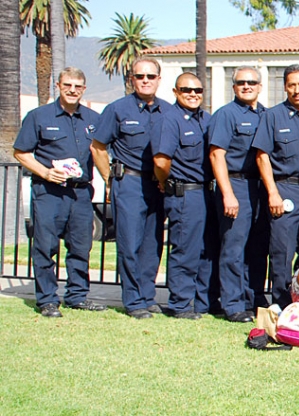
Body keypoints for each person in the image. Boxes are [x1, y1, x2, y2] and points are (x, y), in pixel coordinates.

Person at [14, 67, 106, 318]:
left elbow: (100, 152)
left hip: (81, 193)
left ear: (84, 89)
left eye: (77, 86)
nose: (72, 90)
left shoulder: (93, 119)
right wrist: (44, 172)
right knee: (45, 246)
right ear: (58, 85)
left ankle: (77, 296)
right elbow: (21, 152)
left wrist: (109, 179)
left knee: (80, 246)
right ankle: (47, 300)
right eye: (68, 85)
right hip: (49, 191)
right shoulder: (38, 116)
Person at [91, 57, 171, 319]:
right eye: (140, 76)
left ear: (159, 79)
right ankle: (133, 300)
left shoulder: (168, 111)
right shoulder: (118, 109)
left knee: (153, 243)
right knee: (129, 242)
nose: (145, 80)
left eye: (150, 76)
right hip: (130, 183)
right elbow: (98, 147)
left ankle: (147, 296)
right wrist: (109, 179)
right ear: (131, 79)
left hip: (158, 184)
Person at [253, 64, 299, 309]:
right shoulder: (272, 116)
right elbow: (262, 156)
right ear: (284, 87)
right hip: (285, 190)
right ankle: (280, 304)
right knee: (282, 251)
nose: (297, 90)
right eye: (291, 85)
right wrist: (272, 192)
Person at [209, 66, 268, 322]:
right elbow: (216, 154)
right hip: (237, 185)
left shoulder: (267, 115)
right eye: (241, 82)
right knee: (233, 248)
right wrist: (228, 193)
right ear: (233, 87)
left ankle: (253, 298)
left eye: (252, 82)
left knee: (258, 248)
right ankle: (232, 304)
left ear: (260, 86)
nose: (247, 86)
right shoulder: (226, 115)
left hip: (262, 188)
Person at [152, 72, 211, 320]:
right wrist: (165, 182)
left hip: (207, 193)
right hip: (185, 193)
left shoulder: (206, 120)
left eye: (197, 90)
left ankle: (202, 302)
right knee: (185, 250)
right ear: (176, 92)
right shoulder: (170, 119)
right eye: (187, 90)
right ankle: (179, 304)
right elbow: (161, 160)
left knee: (204, 251)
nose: (193, 94)